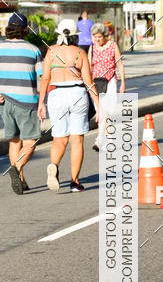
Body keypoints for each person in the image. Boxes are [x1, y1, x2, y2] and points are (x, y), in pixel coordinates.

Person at [37, 20, 99, 193]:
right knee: (77, 140)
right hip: (77, 94)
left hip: (56, 94)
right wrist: (98, 105)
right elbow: (89, 82)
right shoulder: (80, 52)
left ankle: (54, 166)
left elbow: (45, 78)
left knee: (59, 139)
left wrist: (41, 103)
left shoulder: (51, 51)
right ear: (75, 36)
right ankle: (74, 182)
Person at [0, 12, 43, 195]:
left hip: (4, 101)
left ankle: (21, 180)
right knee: (31, 142)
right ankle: (16, 168)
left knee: (14, 141)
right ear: (25, 30)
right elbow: (43, 77)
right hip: (26, 101)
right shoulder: (33, 50)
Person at [89, 23, 126, 151]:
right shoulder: (92, 48)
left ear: (105, 36)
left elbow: (119, 64)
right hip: (96, 83)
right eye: (95, 37)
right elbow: (89, 66)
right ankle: (110, 139)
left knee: (105, 111)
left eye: (99, 37)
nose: (97, 39)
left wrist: (123, 83)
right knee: (102, 112)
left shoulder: (112, 46)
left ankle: (100, 139)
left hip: (110, 82)